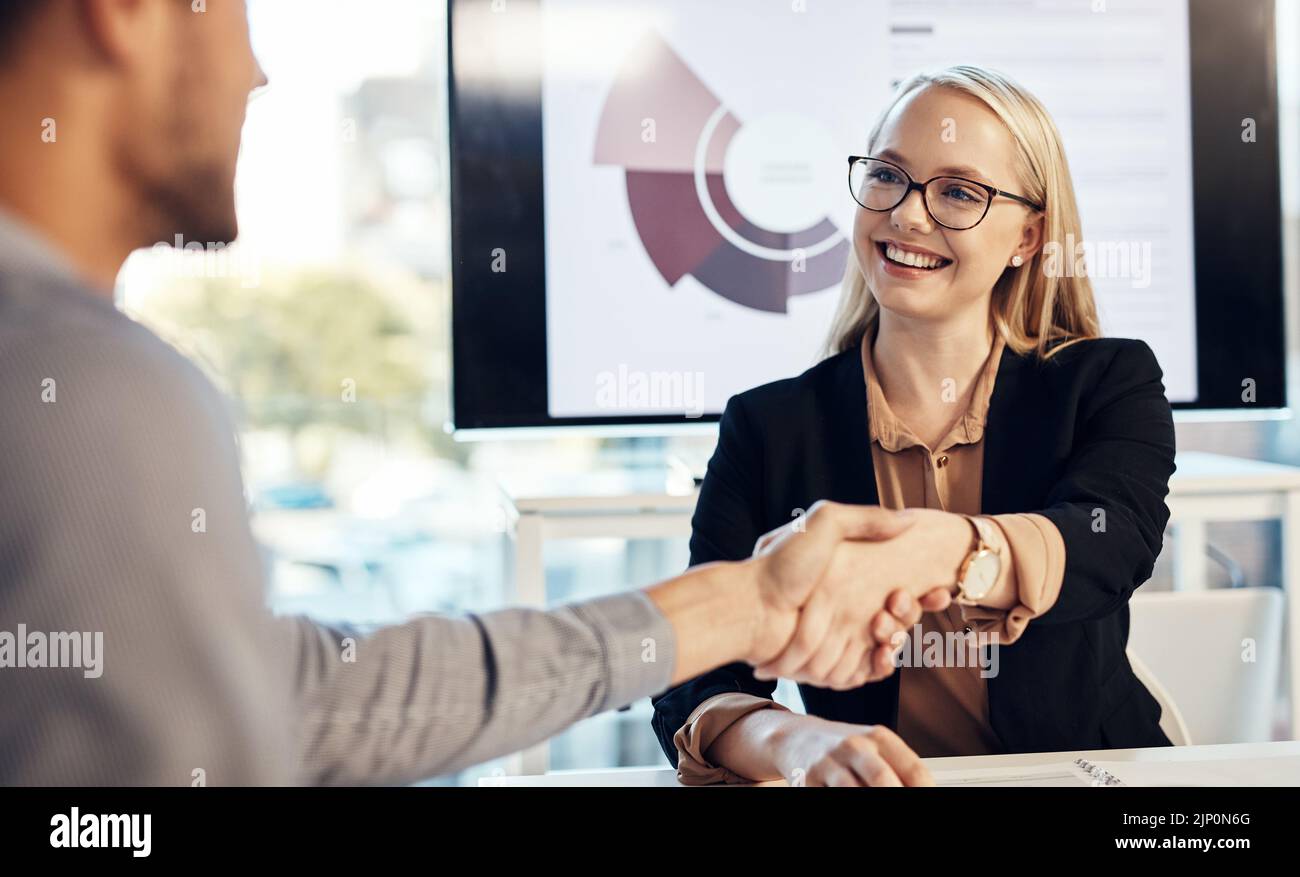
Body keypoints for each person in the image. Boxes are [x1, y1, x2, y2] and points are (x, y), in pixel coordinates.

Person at [0, 0, 942, 785]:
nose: (256, 71)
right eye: (235, 12)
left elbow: (290, 696)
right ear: (123, 13)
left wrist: (742, 607)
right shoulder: (91, 387)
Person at [651, 65, 1177, 786]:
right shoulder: (768, 427)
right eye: (889, 176)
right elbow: (697, 669)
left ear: (1029, 236)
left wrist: (944, 552)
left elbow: (1112, 542)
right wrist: (790, 741)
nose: (907, 214)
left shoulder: (1107, 382)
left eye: (958, 192)